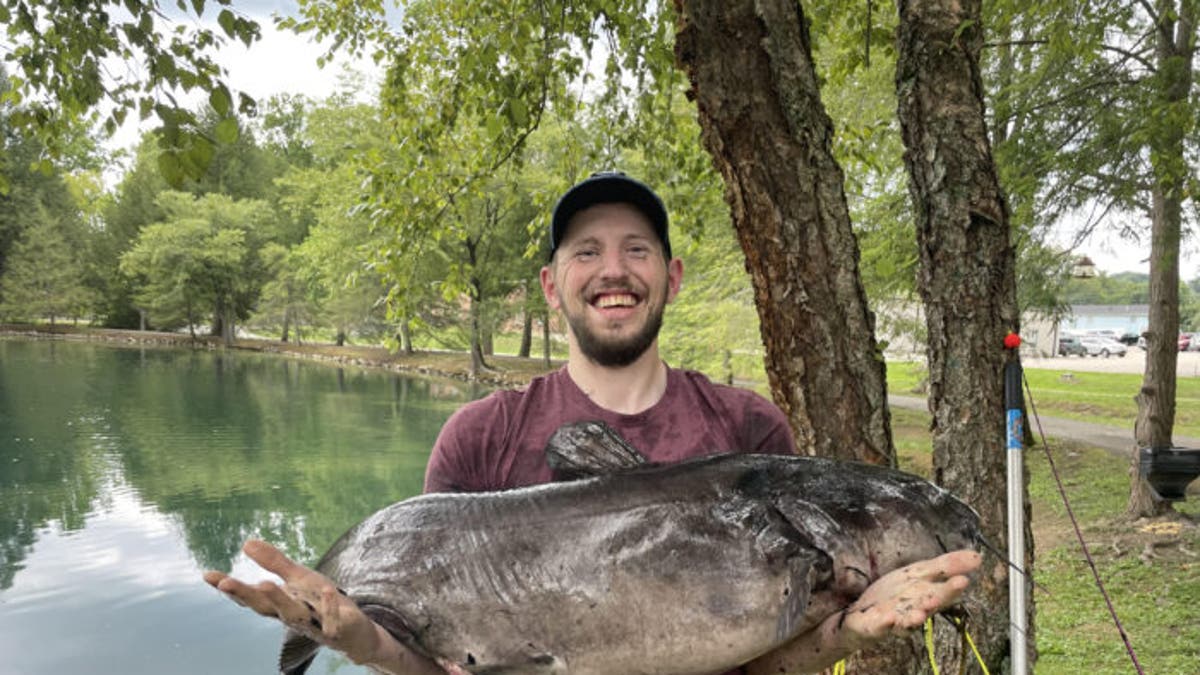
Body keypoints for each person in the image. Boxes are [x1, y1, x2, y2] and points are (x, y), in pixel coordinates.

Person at [204, 172, 981, 674]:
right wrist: (356, 637)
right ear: (552, 283)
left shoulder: (750, 427)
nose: (614, 270)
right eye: (588, 251)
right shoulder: (479, 437)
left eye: (636, 248)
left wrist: (843, 634)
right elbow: (434, 667)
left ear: (669, 276)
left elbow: (758, 660)